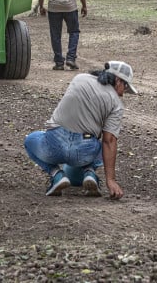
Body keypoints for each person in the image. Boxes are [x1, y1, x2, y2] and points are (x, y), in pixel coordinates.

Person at [24, 61, 138, 198]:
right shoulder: (116, 104)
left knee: (30, 140)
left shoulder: (80, 78)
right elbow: (109, 141)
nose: (123, 94)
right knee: (102, 145)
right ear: (118, 80)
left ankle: (56, 175)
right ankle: (89, 172)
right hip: (84, 152)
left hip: (54, 144)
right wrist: (111, 180)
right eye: (125, 88)